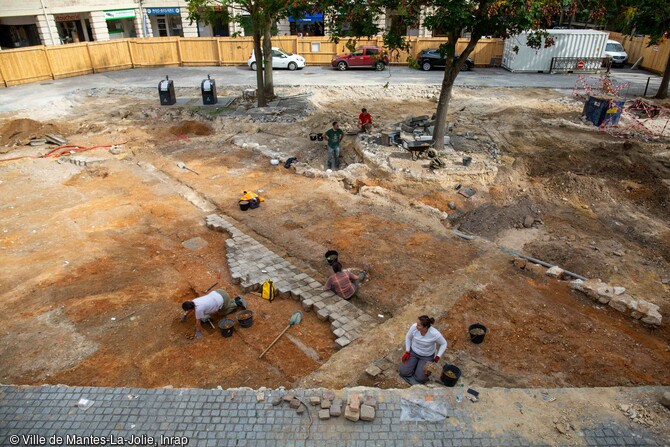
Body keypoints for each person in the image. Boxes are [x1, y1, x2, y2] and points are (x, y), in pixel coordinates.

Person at [399, 315, 447, 384]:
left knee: (420, 378)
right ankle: (415, 364)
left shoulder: (434, 334)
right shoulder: (414, 327)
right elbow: (408, 337)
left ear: (425, 327)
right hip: (414, 352)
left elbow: (444, 343)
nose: (416, 326)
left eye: (419, 325)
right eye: (417, 324)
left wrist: (438, 356)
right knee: (403, 372)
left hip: (426, 356)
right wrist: (407, 351)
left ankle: (418, 367)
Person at [181, 290, 246, 339]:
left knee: (222, 313)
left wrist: (198, 331)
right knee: (225, 303)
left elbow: (198, 322)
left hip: (223, 298)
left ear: (190, 308)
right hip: (219, 292)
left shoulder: (199, 309)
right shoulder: (194, 301)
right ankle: (235, 299)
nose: (187, 311)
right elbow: (190, 308)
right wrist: (185, 315)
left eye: (187, 310)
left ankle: (238, 303)